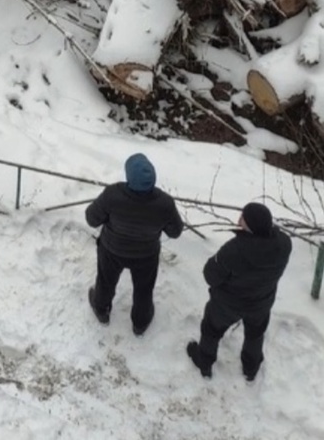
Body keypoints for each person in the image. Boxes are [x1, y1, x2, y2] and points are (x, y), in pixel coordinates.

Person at [186, 202, 292, 381]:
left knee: (211, 329)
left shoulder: (234, 250)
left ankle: (204, 361)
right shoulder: (284, 244)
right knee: (255, 334)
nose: (238, 220)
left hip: (227, 305)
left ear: (250, 227)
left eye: (242, 218)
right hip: (261, 302)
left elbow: (210, 275)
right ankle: (251, 368)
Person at [85, 153, 184, 335]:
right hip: (146, 255)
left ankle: (101, 309)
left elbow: (92, 218)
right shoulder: (165, 203)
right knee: (144, 289)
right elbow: (175, 232)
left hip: (112, 250)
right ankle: (140, 323)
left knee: (106, 281)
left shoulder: (112, 195)